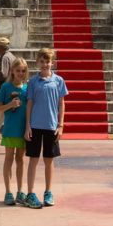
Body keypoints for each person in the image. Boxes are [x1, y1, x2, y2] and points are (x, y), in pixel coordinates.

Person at [24, 48, 67, 209]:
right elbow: (29, 103)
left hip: (51, 126)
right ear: (37, 62)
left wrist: (61, 124)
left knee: (49, 160)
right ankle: (30, 193)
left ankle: (48, 191)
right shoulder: (33, 82)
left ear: (52, 63)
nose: (45, 64)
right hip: (35, 126)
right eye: (42, 61)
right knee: (33, 160)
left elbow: (61, 103)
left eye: (47, 61)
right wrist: (27, 125)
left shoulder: (59, 81)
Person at [0, 57, 30, 206]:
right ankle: (8, 191)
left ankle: (20, 191)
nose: (21, 73)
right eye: (18, 70)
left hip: (23, 130)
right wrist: (10, 104)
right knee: (8, 159)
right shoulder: (6, 87)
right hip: (10, 129)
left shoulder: (27, 88)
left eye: (23, 71)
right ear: (12, 71)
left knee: (20, 160)